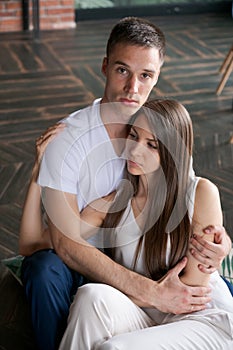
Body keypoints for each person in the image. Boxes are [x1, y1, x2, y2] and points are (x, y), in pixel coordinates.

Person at [19, 17, 232, 350]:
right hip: (108, 271)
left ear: (157, 77)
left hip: (186, 306)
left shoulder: (163, 129)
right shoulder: (72, 145)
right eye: (122, 71)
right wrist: (150, 292)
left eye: (146, 75)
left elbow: (196, 206)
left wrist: (219, 245)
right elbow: (59, 241)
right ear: (105, 67)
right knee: (58, 278)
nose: (134, 88)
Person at [57, 99, 233, 350]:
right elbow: (63, 238)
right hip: (150, 315)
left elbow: (190, 292)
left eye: (152, 145)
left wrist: (142, 294)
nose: (135, 150)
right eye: (133, 135)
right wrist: (40, 176)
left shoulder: (200, 193)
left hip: (200, 321)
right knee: (90, 297)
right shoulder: (115, 202)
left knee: (114, 348)